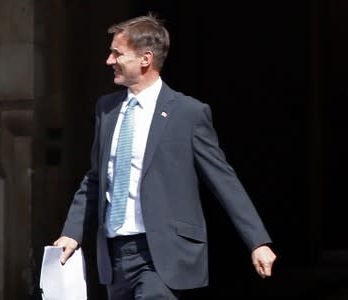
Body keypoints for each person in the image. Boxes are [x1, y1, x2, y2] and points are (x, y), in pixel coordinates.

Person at [54, 13, 276, 300]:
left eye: (116, 53)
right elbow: (96, 178)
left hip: (162, 253)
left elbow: (223, 179)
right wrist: (72, 233)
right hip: (115, 254)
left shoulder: (188, 113)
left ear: (145, 59)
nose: (109, 60)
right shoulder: (106, 109)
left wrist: (257, 241)